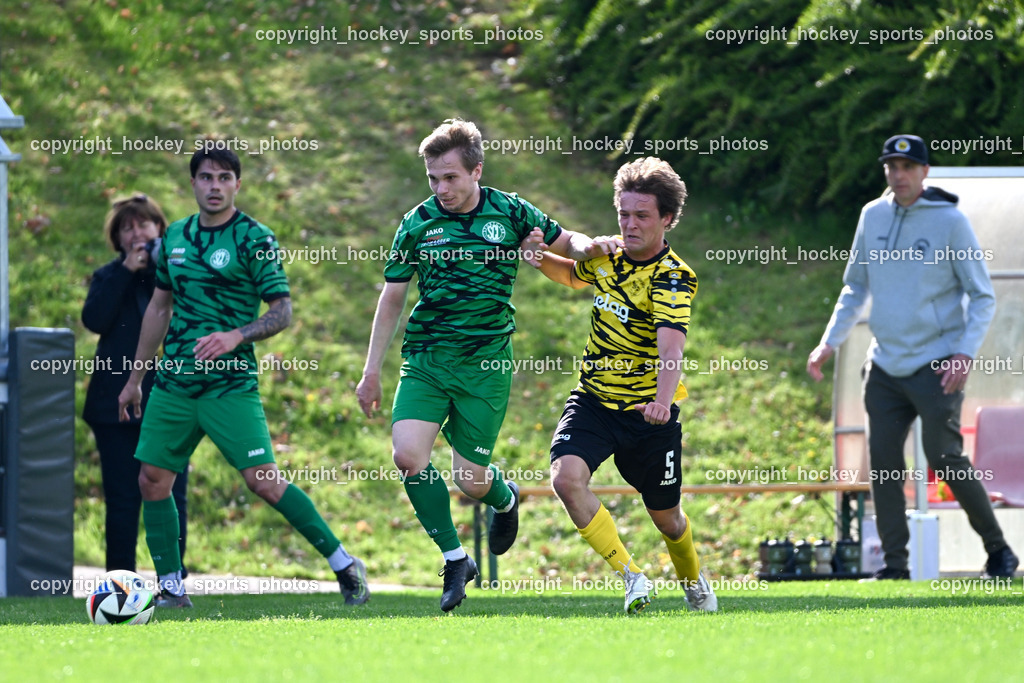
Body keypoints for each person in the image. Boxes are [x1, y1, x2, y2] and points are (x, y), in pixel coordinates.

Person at [356, 118, 609, 612]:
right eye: (433, 177)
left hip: (485, 366)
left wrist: (589, 246)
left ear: (475, 171)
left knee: (471, 481)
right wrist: (371, 370)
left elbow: (565, 241)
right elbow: (392, 297)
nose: (440, 188)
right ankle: (455, 559)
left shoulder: (511, 211)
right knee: (408, 456)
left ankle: (505, 497)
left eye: (450, 177)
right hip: (427, 358)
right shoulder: (417, 223)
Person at [117, 145, 369, 607]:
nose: (215, 186)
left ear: (237, 184)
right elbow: (158, 306)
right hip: (173, 383)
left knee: (263, 480)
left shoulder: (255, 238)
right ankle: (171, 588)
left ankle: (344, 564)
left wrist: (236, 336)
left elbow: (282, 311)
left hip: (230, 385)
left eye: (225, 178)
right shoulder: (174, 236)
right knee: (152, 480)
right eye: (206, 177)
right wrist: (135, 378)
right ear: (193, 183)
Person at [807, 134, 1019, 580]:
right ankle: (895, 566)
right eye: (891, 166)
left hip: (937, 365)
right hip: (883, 366)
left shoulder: (951, 222)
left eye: (908, 166)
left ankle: (999, 550)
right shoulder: (872, 215)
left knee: (943, 456)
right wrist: (829, 342)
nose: (899, 175)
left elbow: (982, 297)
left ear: (925, 172)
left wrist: (963, 354)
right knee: (883, 467)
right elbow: (855, 287)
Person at [524, 156, 717, 614]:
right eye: (623, 214)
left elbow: (671, 350)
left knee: (668, 520)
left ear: (667, 219)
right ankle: (632, 577)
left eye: (642, 216)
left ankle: (693, 581)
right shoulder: (608, 257)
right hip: (593, 402)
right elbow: (572, 275)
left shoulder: (672, 277)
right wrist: (534, 256)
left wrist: (661, 403)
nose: (629, 225)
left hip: (648, 415)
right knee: (566, 479)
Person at [83, 193, 189, 574]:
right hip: (113, 405)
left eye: (143, 224)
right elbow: (94, 319)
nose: (136, 233)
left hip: (171, 400)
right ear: (117, 239)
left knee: (172, 493)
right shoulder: (109, 276)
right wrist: (126, 270)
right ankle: (120, 582)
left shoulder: (176, 273)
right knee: (123, 498)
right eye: (126, 228)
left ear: (159, 228)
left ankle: (173, 579)